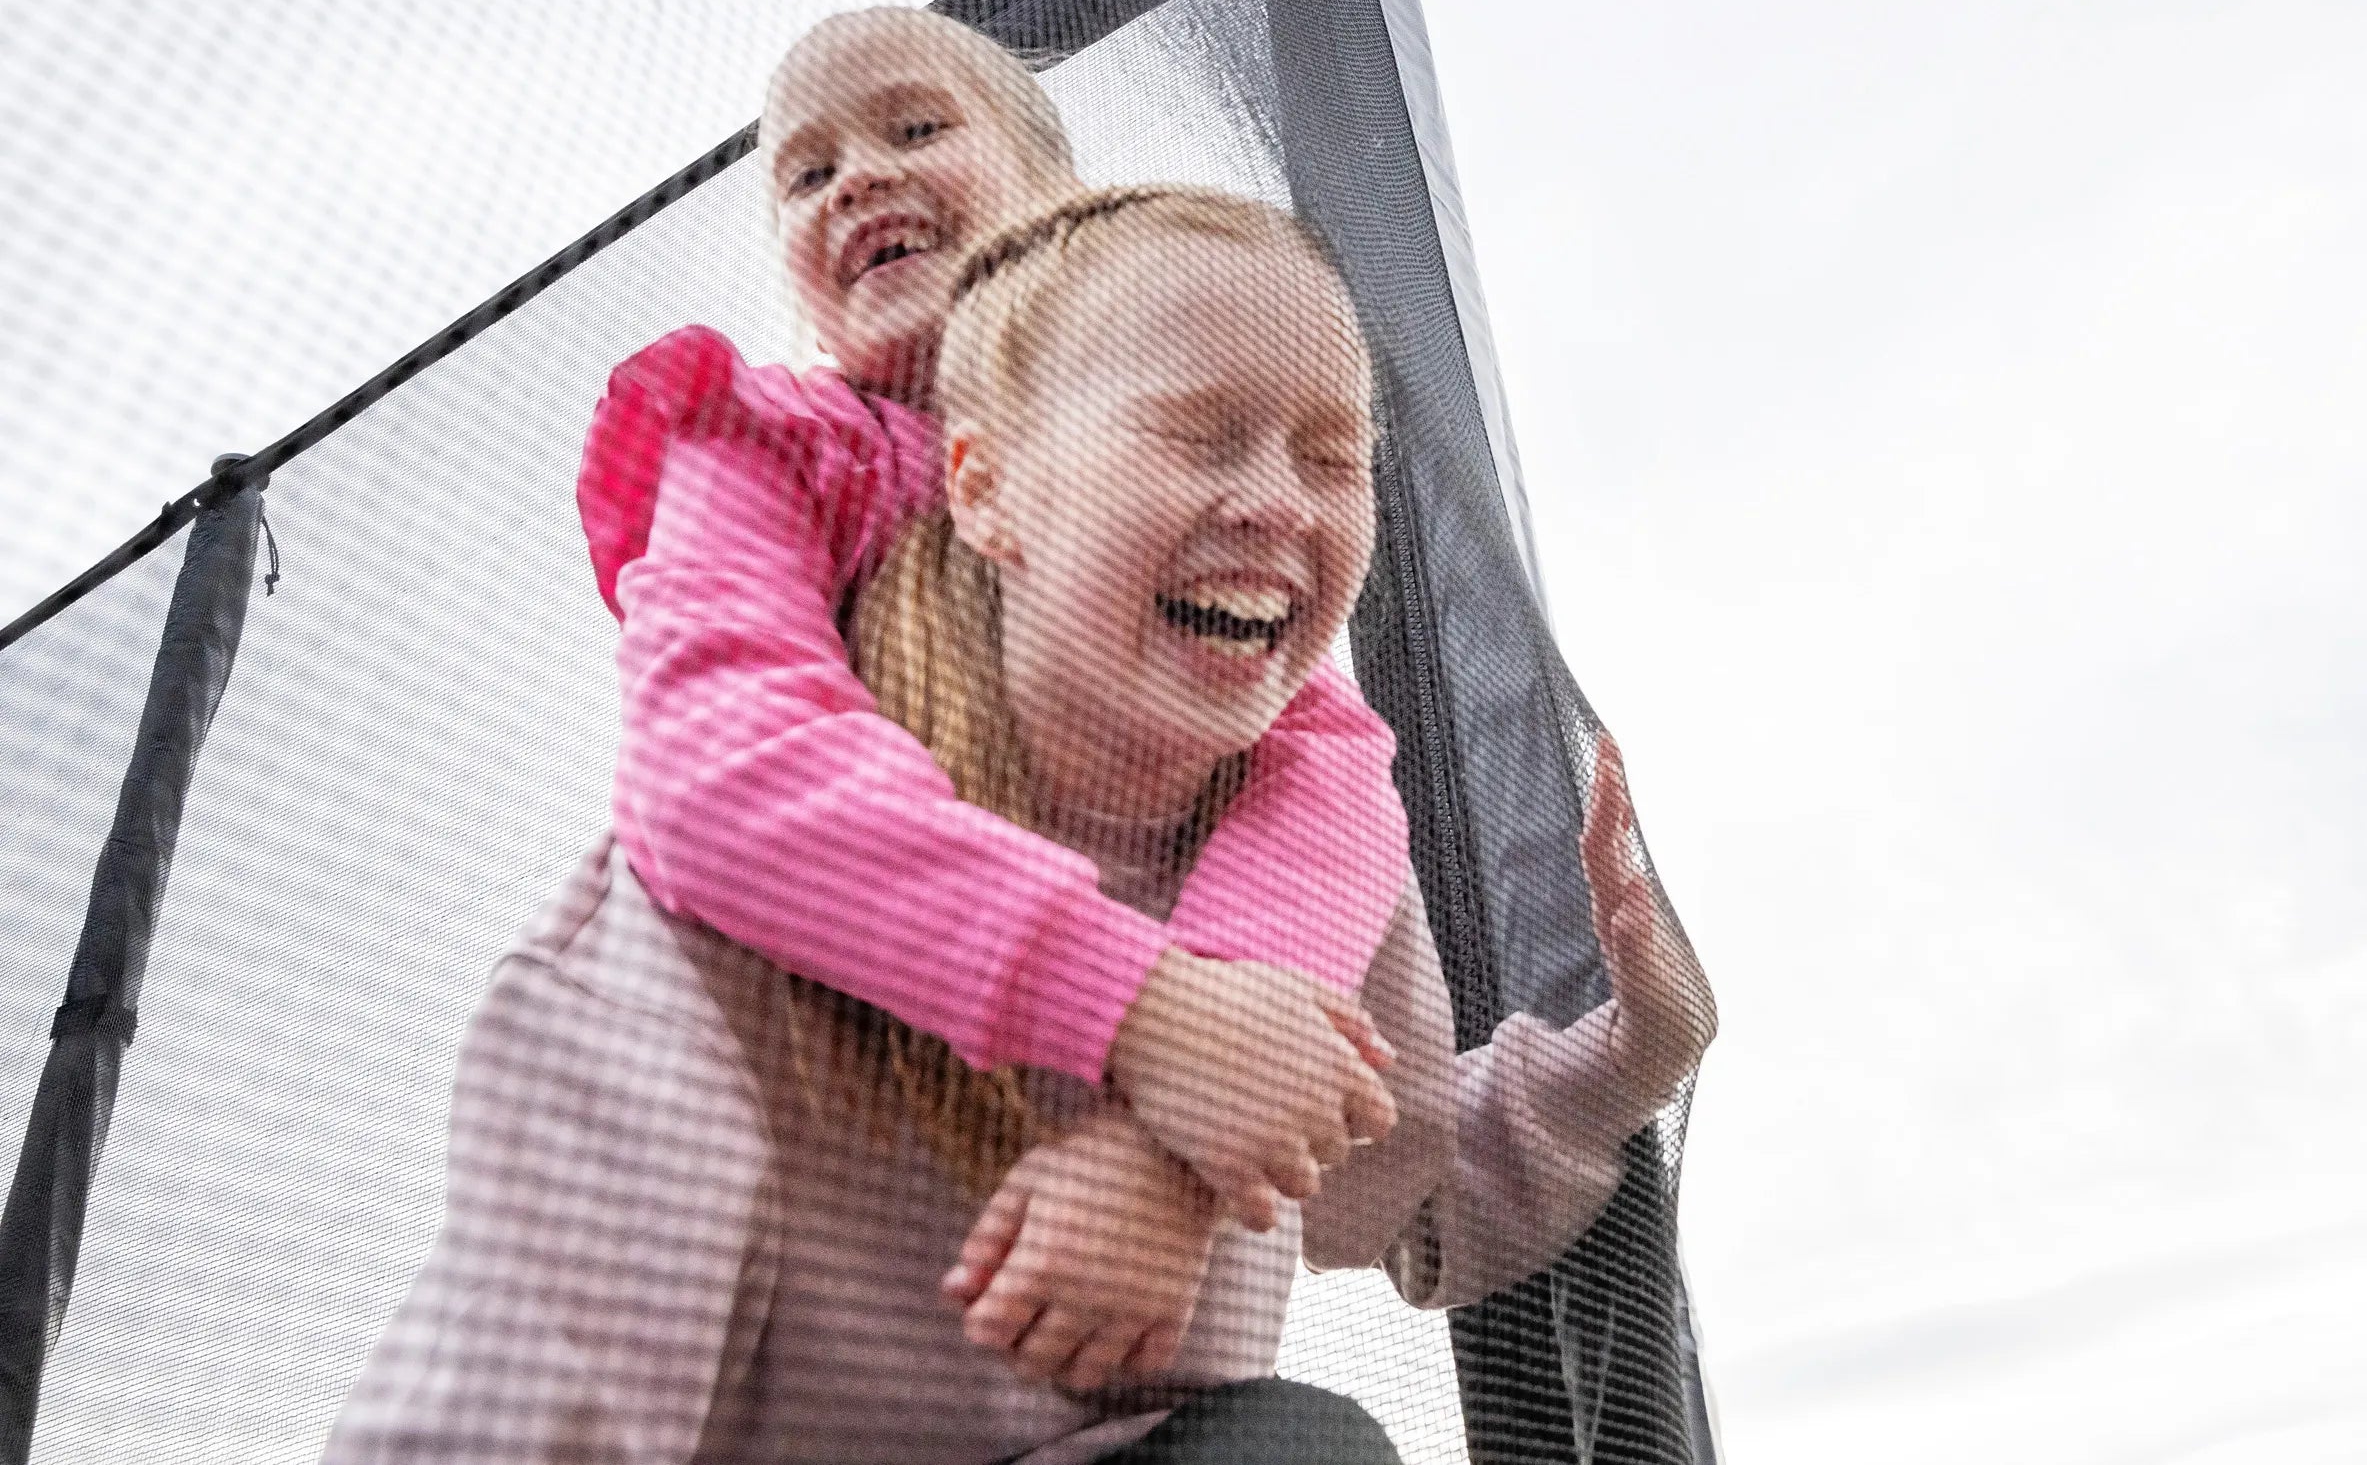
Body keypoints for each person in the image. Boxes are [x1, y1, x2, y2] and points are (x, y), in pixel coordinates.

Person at [322, 184, 1715, 1464]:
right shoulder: (720, 915)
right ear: (987, 489)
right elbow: (521, 1387)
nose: (1282, 499)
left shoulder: (1326, 878)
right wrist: (1156, 1029)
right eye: (1201, 429)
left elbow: (1387, 1184)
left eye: (1334, 455)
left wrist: (1635, 1050)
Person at [576, 6, 1416, 1239]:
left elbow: (1332, 772)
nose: (858, 174)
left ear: (1060, 201)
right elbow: (715, 761)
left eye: (916, 126)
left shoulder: (1164, 502)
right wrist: (1140, 1008)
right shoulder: (775, 446)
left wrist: (1172, 1143)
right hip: (720, 1145)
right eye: (807, 173)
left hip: (1001, 1188)